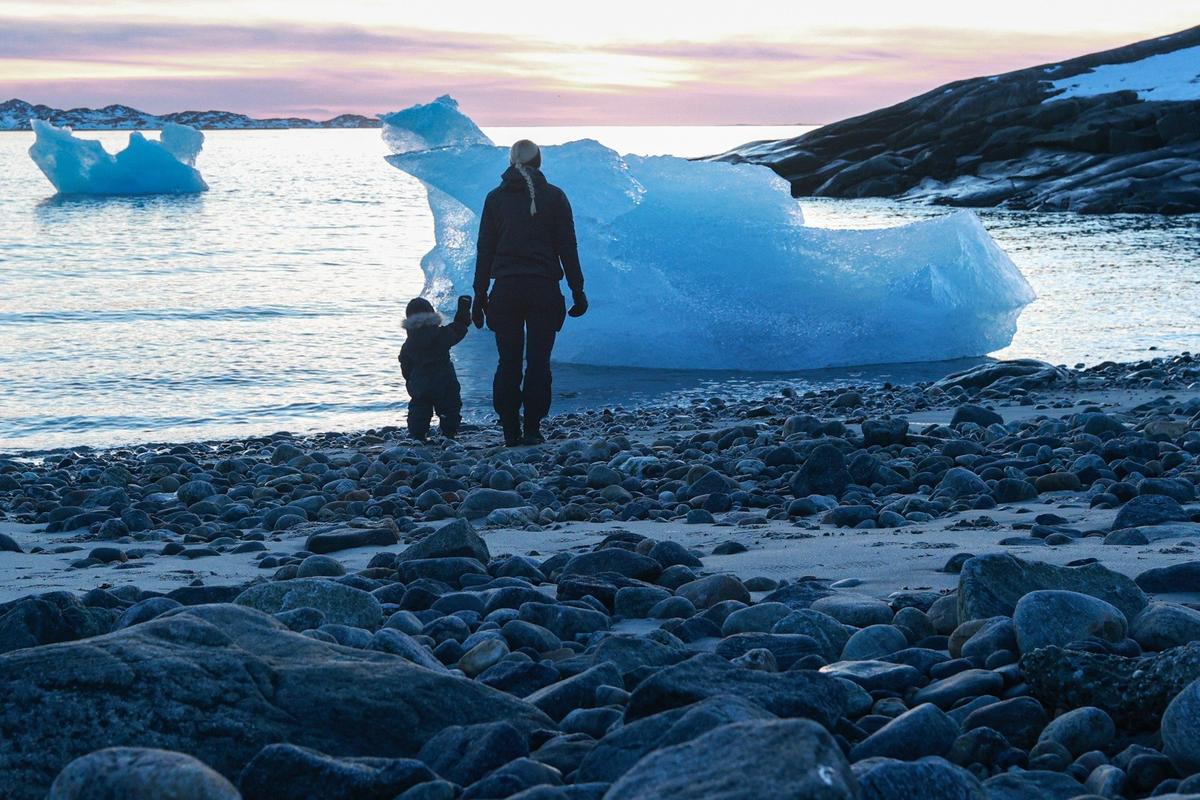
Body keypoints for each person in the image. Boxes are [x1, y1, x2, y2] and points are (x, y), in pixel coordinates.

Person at [472, 138, 588, 447]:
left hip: (505, 291)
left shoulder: (495, 199)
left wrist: (479, 295)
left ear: (511, 163)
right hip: (543, 291)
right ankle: (533, 428)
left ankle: (510, 430)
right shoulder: (555, 197)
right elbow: (568, 247)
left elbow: (485, 250)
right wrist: (578, 289)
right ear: (539, 162)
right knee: (539, 362)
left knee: (507, 363)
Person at [398, 295, 471, 441]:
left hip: (420, 381)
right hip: (444, 379)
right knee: (449, 407)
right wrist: (463, 309)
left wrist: (410, 380)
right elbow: (459, 328)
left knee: (419, 407)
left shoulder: (409, 344)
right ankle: (449, 433)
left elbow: (404, 363)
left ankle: (418, 434)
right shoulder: (441, 335)